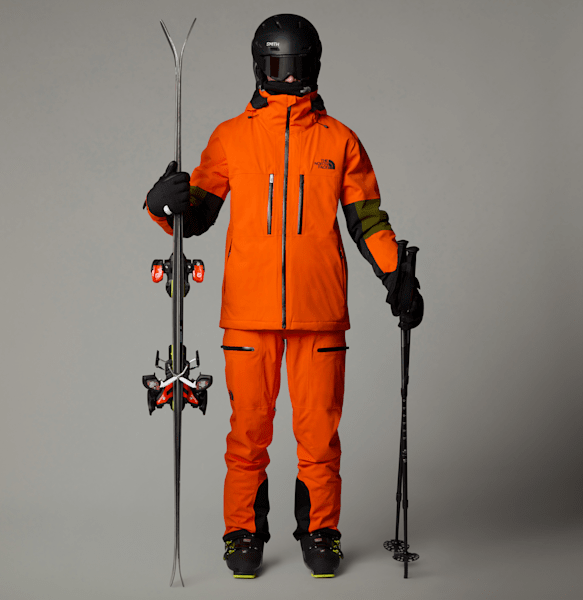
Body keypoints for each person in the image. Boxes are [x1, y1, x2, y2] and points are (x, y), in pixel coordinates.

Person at [144, 13, 423, 579]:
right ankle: (242, 533)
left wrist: (397, 276)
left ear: (314, 67)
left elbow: (368, 220)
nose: (288, 77)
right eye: (277, 66)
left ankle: (320, 531)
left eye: (296, 66)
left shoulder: (339, 140)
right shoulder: (231, 136)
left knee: (319, 434)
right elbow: (196, 215)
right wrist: (163, 204)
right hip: (249, 315)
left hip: (320, 313)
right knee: (248, 433)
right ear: (259, 67)